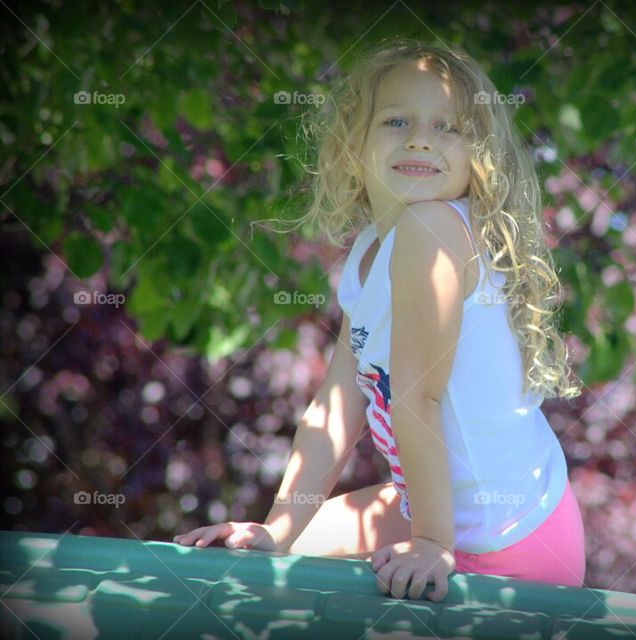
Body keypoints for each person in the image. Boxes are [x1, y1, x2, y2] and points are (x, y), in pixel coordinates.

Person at [174, 38, 584, 603]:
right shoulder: (371, 251)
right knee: (281, 551)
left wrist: (433, 542)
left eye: (449, 127)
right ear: (351, 146)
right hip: (441, 508)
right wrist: (278, 527)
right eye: (397, 120)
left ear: (479, 157)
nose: (420, 138)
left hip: (508, 540)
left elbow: (417, 397)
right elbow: (337, 405)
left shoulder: (434, 230)